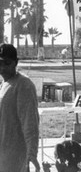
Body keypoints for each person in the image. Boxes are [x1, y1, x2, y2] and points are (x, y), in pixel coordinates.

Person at [0, 43, 41, 172]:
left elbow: (30, 122)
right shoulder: (5, 84)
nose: (2, 67)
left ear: (15, 62)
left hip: (15, 157)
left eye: (6, 63)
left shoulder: (23, 85)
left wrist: (31, 152)